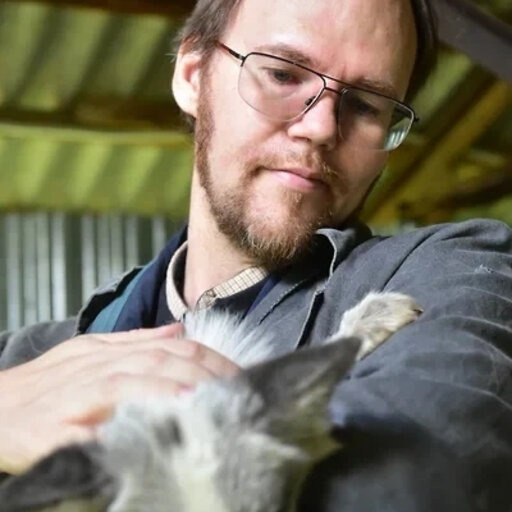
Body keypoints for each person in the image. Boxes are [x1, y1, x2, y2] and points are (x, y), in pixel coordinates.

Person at [0, 0, 511, 510]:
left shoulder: (453, 273)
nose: (321, 128)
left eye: (365, 105)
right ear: (192, 76)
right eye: (283, 74)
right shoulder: (22, 360)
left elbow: (429, 475)